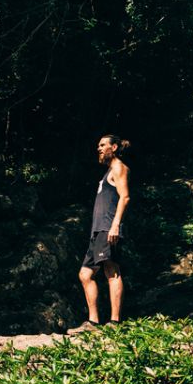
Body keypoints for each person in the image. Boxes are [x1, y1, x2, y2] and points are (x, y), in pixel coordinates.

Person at [72, 134, 130, 331]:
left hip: (108, 228)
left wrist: (115, 226)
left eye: (103, 145)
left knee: (111, 271)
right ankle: (93, 323)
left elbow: (125, 197)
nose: (99, 148)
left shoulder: (118, 167)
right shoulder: (107, 172)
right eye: (98, 145)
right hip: (98, 231)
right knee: (85, 274)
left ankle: (114, 322)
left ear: (113, 147)